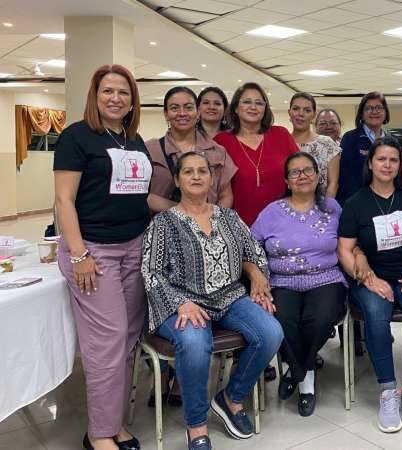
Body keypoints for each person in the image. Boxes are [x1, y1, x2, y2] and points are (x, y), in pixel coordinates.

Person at [142, 152, 283, 450]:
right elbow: (150, 272)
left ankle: (230, 398)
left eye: (202, 171)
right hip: (183, 302)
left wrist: (257, 275)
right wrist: (180, 303)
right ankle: (196, 425)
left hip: (230, 297)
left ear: (211, 178)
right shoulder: (164, 222)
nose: (196, 176)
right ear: (178, 180)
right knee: (194, 343)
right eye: (189, 172)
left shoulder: (229, 217)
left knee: (271, 332)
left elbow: (253, 251)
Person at [54, 64, 149, 450]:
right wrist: (79, 255)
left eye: (123, 93)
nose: (115, 98)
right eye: (108, 91)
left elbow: (138, 196)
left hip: (134, 247)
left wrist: (186, 205)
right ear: (95, 95)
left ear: (132, 101)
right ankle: (98, 434)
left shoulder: (133, 139)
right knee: (106, 344)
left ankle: (115, 424)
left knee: (127, 341)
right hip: (94, 252)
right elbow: (64, 200)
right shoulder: (77, 137)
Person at [337, 138, 402, 433]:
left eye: (394, 160)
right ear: (371, 163)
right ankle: (388, 391)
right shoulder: (356, 202)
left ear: (400, 164)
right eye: (382, 159)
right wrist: (368, 277)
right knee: (376, 317)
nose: (387, 165)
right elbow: (345, 248)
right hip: (372, 277)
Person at [251, 152, 346, 417]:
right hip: (282, 280)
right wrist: (258, 276)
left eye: (308, 170)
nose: (302, 175)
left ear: (318, 176)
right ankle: (305, 375)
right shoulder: (272, 211)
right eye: (295, 172)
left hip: (326, 278)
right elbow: (251, 246)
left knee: (319, 319)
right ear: (287, 180)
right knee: (283, 318)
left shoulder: (332, 207)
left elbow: (349, 242)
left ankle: (298, 373)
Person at [214, 82, 298, 226]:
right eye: (246, 102)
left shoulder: (281, 135)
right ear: (235, 108)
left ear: (265, 109)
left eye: (259, 103)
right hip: (237, 227)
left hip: (283, 225)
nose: (253, 107)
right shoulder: (221, 141)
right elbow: (214, 189)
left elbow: (299, 174)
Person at [146, 86, 236, 213]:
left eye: (188, 107)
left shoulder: (218, 152)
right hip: (164, 227)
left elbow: (226, 196)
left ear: (198, 112)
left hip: (207, 228)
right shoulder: (150, 150)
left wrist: (211, 220)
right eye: (174, 108)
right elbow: (143, 195)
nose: (182, 113)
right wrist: (185, 213)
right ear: (166, 114)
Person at [337, 92, 390, 205]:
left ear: (385, 112)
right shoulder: (350, 138)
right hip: (356, 202)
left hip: (385, 201)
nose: (374, 111)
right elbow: (346, 175)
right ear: (361, 114)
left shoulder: (391, 141)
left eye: (379, 107)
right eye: (369, 108)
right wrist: (363, 200)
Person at [288, 92, 341, 198]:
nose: (301, 114)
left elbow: (333, 184)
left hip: (320, 209)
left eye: (307, 110)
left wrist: (325, 211)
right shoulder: (281, 142)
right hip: (285, 209)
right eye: (296, 109)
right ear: (290, 112)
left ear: (313, 115)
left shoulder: (327, 144)